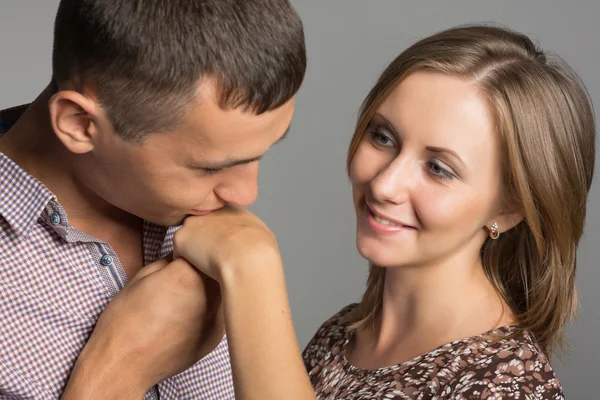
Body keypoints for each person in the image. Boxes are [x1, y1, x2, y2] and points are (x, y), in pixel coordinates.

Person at [175, 25, 596, 399]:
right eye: (383, 137)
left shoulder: (507, 387)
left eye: (438, 169)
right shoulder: (344, 334)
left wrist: (252, 271)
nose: (384, 184)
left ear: (509, 211)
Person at [0, 0, 306, 399]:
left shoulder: (200, 215)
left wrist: (254, 271)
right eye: (210, 168)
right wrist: (120, 371)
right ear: (80, 124)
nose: (247, 194)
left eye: (259, 154)